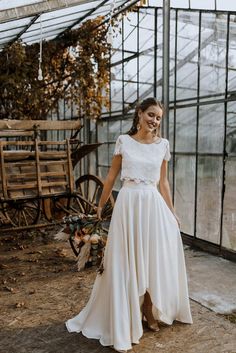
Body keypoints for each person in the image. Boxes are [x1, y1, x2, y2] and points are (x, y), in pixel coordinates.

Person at [65, 97, 193, 352]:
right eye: (151, 115)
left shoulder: (163, 145)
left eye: (158, 118)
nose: (155, 121)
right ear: (140, 113)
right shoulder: (124, 141)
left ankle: (149, 306)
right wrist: (101, 205)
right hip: (128, 204)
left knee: (150, 257)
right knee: (126, 261)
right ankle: (128, 314)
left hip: (152, 206)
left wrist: (173, 212)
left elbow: (164, 183)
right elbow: (111, 176)